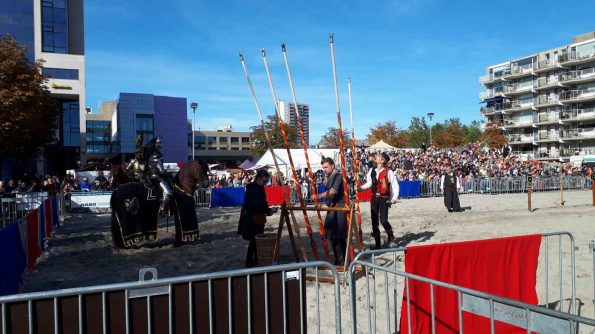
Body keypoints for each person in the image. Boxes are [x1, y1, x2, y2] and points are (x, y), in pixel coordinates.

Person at [237, 170, 278, 267]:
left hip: (256, 217)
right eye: (264, 181)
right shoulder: (253, 189)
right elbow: (257, 205)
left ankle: (255, 259)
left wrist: (268, 210)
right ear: (259, 178)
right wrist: (269, 211)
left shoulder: (258, 188)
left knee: (256, 239)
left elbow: (261, 203)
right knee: (254, 239)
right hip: (252, 218)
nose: (265, 183)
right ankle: (250, 261)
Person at [358, 152, 399, 249]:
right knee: (374, 221)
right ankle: (377, 243)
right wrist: (361, 188)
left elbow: (395, 185)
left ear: (382, 160)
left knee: (383, 220)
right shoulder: (372, 170)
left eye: (378, 157)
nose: (376, 158)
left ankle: (391, 236)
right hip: (374, 198)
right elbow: (369, 183)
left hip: (384, 198)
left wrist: (394, 198)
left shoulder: (389, 172)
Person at [318, 157, 348, 265]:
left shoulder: (338, 176)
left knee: (339, 235)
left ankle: (342, 260)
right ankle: (338, 259)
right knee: (330, 233)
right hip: (333, 207)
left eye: (326, 167)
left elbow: (332, 192)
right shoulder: (331, 177)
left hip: (340, 207)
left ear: (332, 166)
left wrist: (318, 196)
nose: (324, 170)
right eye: (323, 168)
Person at [143, 137, 173, 214]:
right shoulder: (156, 157)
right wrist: (169, 174)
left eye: (160, 143)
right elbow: (161, 171)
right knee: (168, 192)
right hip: (157, 177)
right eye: (159, 143)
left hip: (150, 177)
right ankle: (162, 209)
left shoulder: (150, 157)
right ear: (155, 145)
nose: (160, 145)